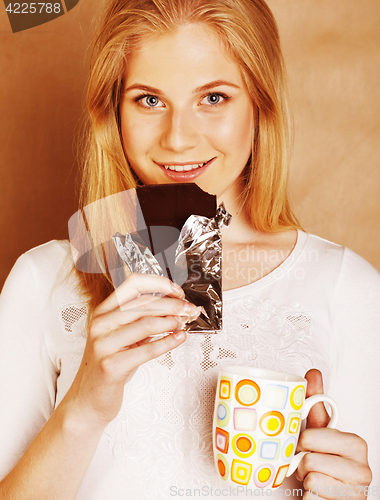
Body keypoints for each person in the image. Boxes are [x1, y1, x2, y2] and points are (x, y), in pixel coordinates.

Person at [0, 0, 378, 498]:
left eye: (214, 98)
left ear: (259, 106)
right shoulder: (41, 281)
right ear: (113, 112)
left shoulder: (347, 288)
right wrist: (84, 407)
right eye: (149, 100)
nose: (178, 139)